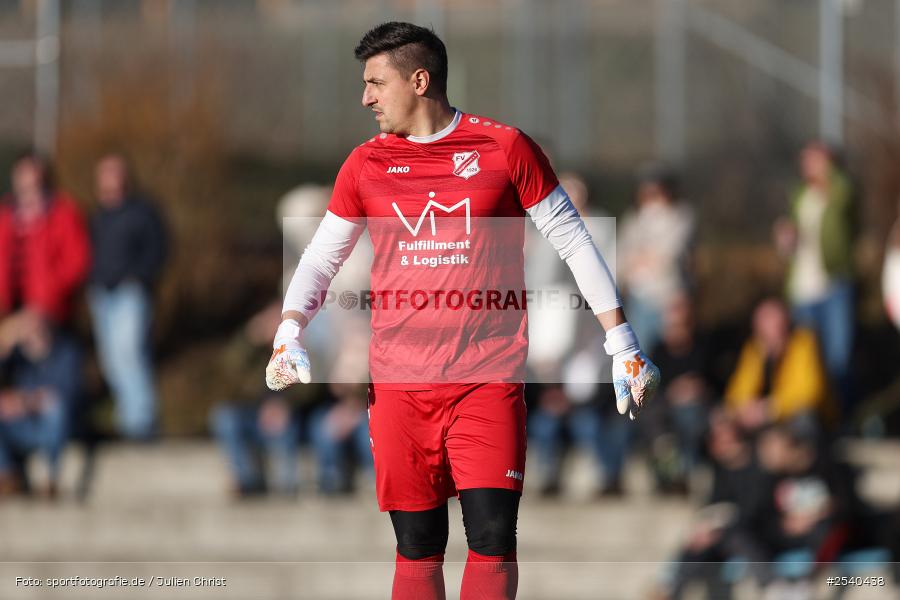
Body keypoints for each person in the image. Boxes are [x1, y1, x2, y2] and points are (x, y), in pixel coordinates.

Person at [265, 22, 660, 600]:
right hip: (400, 384)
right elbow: (322, 257)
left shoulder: (504, 149)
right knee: (418, 546)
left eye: (376, 83)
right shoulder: (365, 164)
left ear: (419, 80)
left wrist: (621, 342)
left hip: (486, 377)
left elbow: (574, 241)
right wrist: (289, 330)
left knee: (494, 538)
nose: (365, 97)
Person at [773, 142, 857, 414]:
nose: (807, 165)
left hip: (834, 283)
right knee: (806, 357)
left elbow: (846, 202)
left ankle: (841, 417)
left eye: (814, 159)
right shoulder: (800, 194)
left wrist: (829, 174)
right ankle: (811, 416)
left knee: (838, 356)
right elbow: (792, 237)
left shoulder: (841, 189)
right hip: (802, 288)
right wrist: (786, 237)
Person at [87, 153, 167, 440]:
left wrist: (139, 277)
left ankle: (141, 421)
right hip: (101, 294)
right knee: (110, 360)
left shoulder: (143, 212)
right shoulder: (97, 216)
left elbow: (158, 250)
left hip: (130, 293)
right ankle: (127, 417)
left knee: (130, 353)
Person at [724, 297, 836, 433]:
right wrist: (745, 409)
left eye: (780, 326)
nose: (776, 334)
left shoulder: (803, 343)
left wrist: (771, 409)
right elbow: (737, 391)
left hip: (804, 419)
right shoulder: (754, 350)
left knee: (804, 419)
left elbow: (810, 392)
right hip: (766, 420)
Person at [618, 165, 695, 352]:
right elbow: (622, 256)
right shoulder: (634, 219)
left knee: (670, 354)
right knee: (638, 355)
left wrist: (643, 256)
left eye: (655, 191)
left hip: (669, 299)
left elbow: (669, 255)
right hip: (639, 298)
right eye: (646, 191)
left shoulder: (681, 216)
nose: (651, 197)